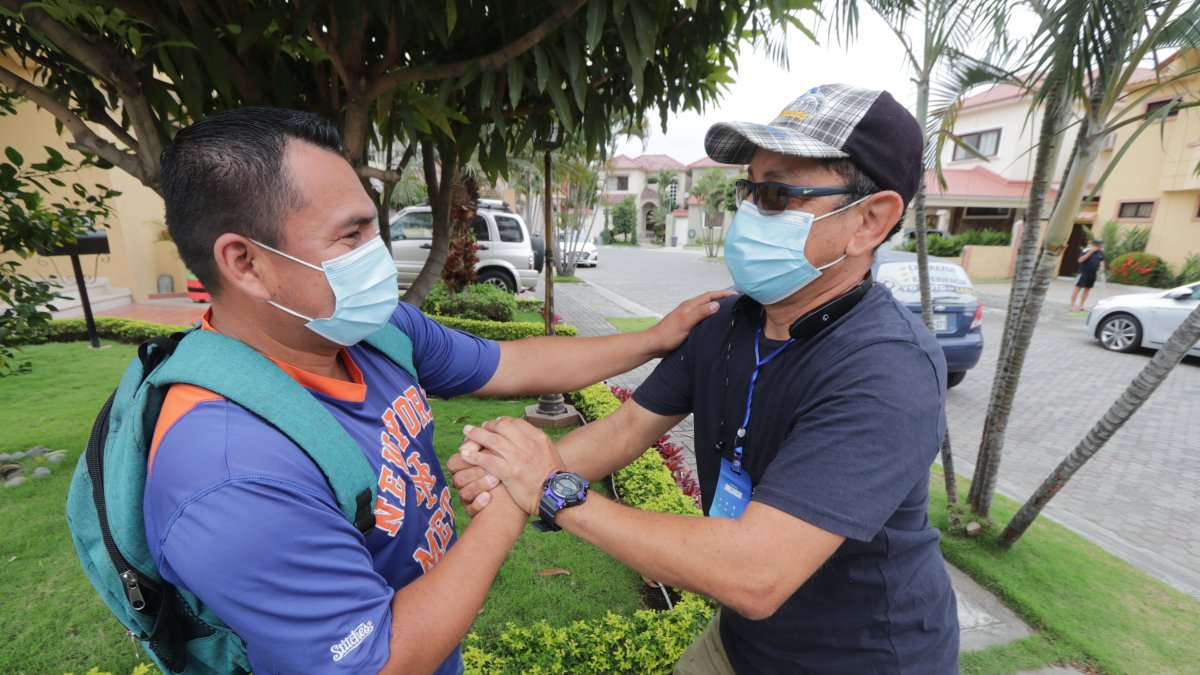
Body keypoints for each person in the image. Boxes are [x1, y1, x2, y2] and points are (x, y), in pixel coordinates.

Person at [145, 107, 730, 674]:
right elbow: (383, 661)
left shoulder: (371, 332)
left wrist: (652, 340)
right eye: (350, 236)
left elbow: (510, 363)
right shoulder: (230, 473)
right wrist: (516, 491)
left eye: (373, 228)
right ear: (245, 262)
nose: (375, 251)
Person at [451, 84, 960, 673]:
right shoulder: (725, 322)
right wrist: (507, 472)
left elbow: (755, 573)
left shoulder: (886, 368)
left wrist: (553, 490)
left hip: (862, 659)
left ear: (870, 220)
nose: (749, 212)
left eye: (777, 194)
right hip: (741, 643)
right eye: (750, 189)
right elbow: (625, 430)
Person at [1071, 238, 1106, 311]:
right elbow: (1080, 260)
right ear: (1095, 244)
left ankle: (1081, 306)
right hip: (1083, 273)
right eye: (1100, 244)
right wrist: (1090, 252)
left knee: (1087, 290)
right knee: (1077, 289)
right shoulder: (1086, 250)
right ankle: (1073, 306)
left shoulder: (1100, 252)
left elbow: (1102, 260)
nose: (1101, 245)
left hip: (1092, 274)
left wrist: (1102, 267)